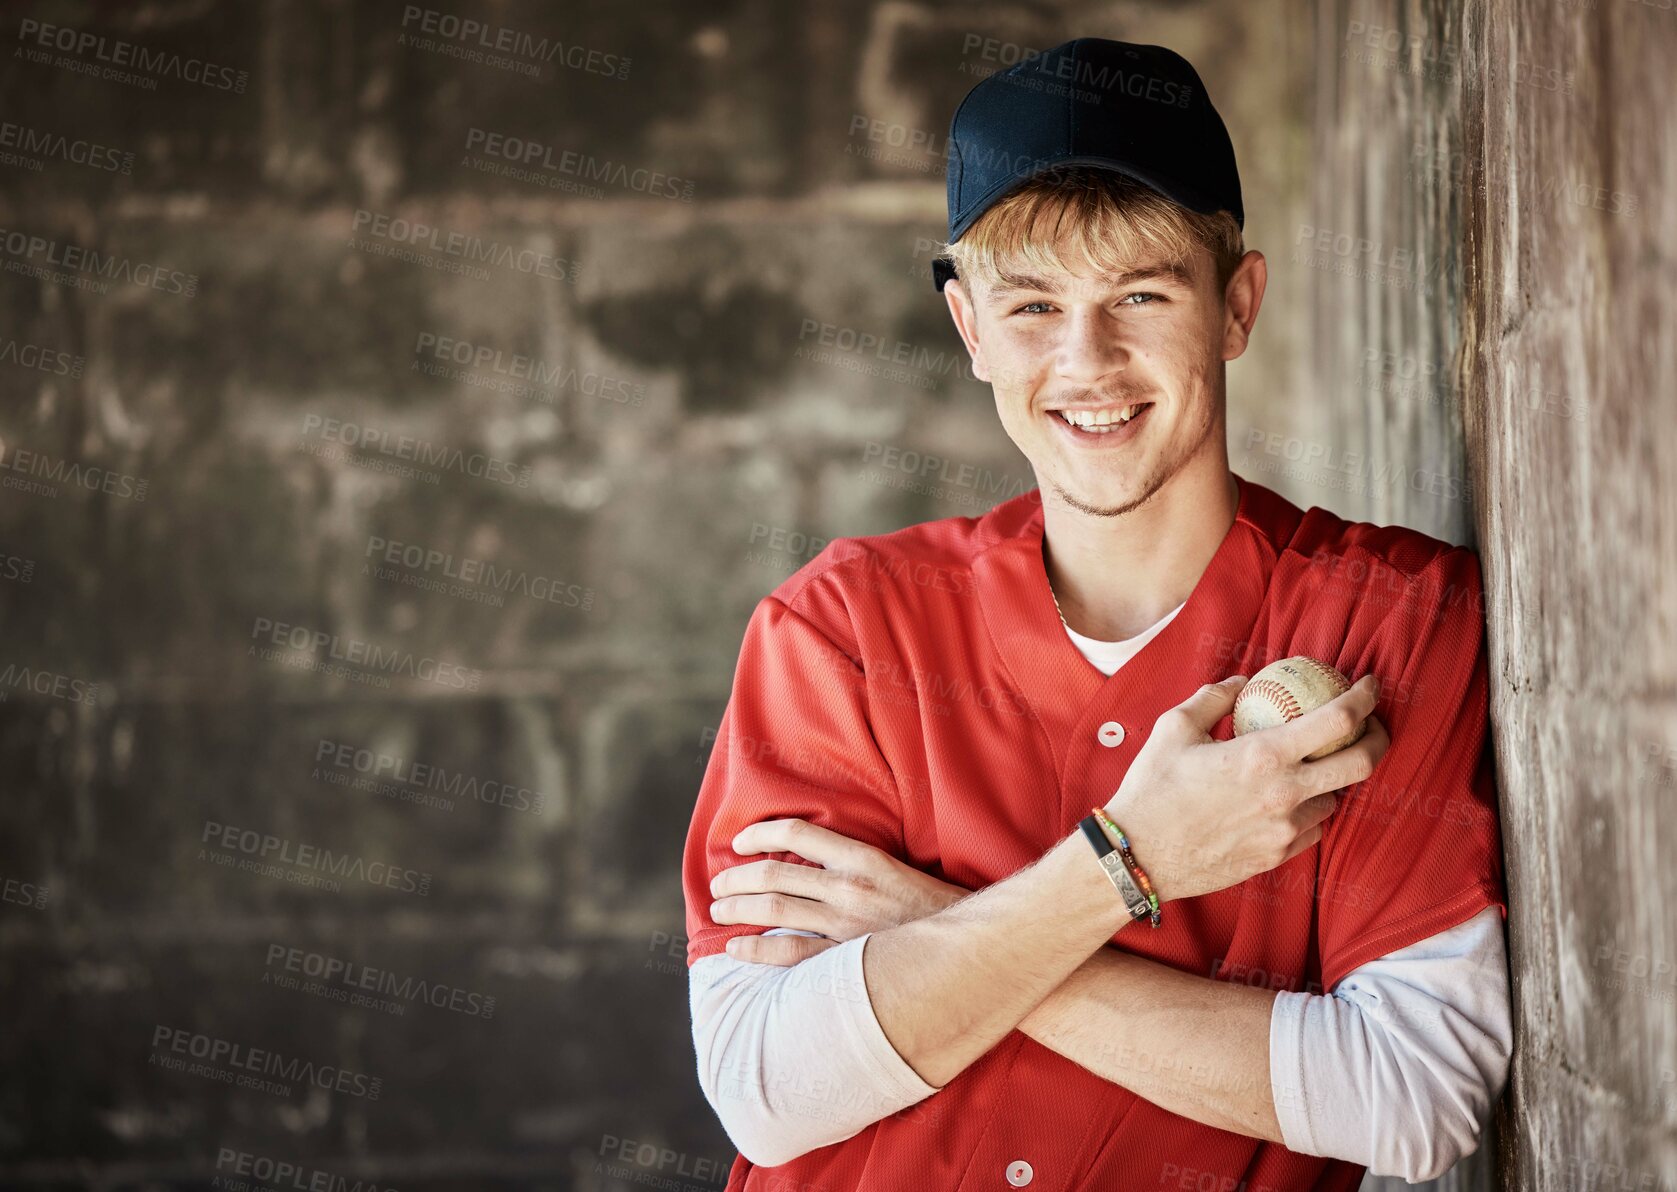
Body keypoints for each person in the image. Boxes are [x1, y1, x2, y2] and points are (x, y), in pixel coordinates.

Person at [682, 37, 1509, 1191]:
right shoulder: (842, 631)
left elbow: (1414, 1094)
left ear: (1237, 304)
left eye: (1141, 294)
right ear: (970, 331)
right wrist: (1129, 864)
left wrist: (937, 924)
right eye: (1032, 304)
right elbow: (767, 1088)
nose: (1088, 359)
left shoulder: (1389, 620)